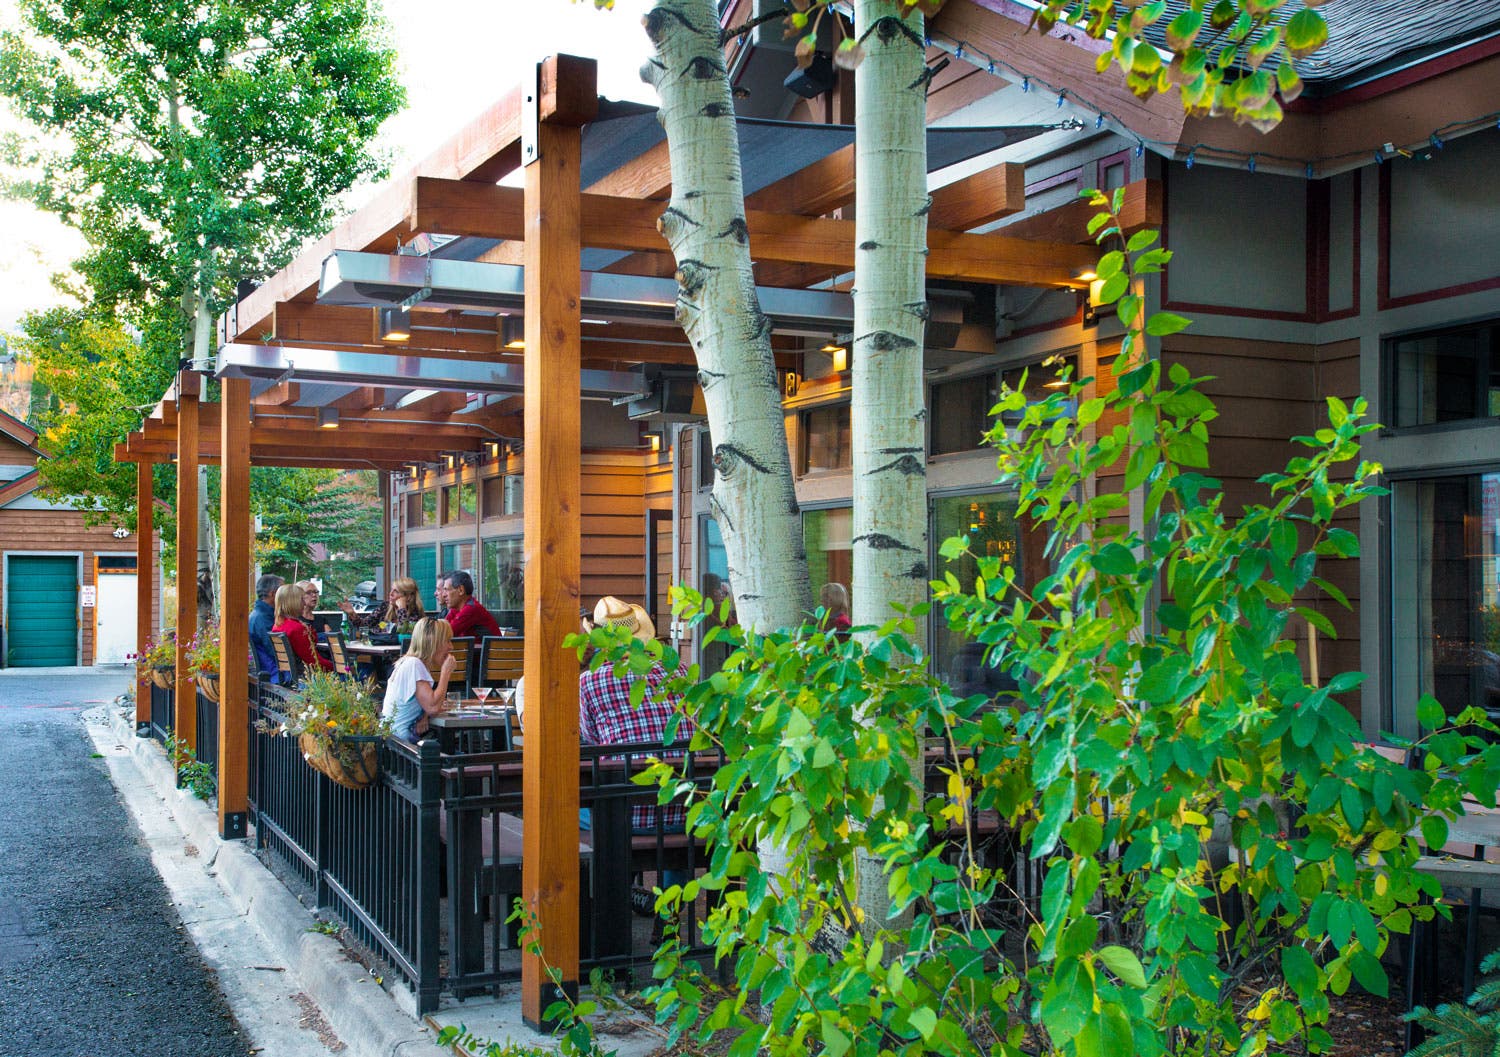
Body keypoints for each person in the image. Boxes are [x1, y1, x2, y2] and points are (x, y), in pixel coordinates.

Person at [382, 617, 458, 742]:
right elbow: (433, 707)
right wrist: (445, 673)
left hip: (393, 739)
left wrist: (424, 715)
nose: (451, 647)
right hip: (399, 744)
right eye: (447, 641)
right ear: (433, 642)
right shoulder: (414, 664)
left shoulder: (411, 662)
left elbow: (429, 707)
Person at [271, 583, 334, 674]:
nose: (304, 604)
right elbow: (314, 662)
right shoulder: (297, 629)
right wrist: (341, 668)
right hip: (305, 677)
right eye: (302, 599)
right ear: (293, 602)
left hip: (288, 675)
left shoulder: (278, 624)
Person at [441, 569, 502, 640]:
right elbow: (442, 629)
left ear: (461, 590)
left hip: (493, 647)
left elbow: (445, 634)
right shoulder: (456, 609)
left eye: (446, 590)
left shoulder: (471, 609)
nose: (443, 595)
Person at [249, 573, 284, 682]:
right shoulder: (264, 619)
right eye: (283, 591)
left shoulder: (257, 614)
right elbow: (276, 651)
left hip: (267, 670)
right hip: (275, 674)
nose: (286, 595)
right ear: (273, 594)